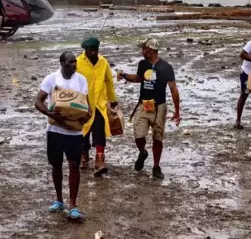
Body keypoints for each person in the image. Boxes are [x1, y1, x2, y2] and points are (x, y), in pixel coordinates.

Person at [35, 51, 91, 221]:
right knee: (56, 165)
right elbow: (38, 101)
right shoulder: (51, 79)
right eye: (69, 63)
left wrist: (86, 115)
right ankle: (59, 200)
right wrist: (52, 116)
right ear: (61, 63)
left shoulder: (81, 80)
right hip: (55, 131)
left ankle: (73, 205)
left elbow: (86, 106)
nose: (74, 65)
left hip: (74, 132)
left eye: (75, 62)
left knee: (74, 166)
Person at [117, 38, 181, 180]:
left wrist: (177, 111)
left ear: (151, 51)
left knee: (158, 137)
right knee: (138, 134)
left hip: (159, 107)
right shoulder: (143, 64)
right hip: (144, 105)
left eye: (144, 49)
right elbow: (139, 79)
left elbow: (173, 90)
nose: (142, 51)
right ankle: (142, 152)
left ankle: (156, 167)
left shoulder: (166, 68)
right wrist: (125, 75)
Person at [76, 37, 118, 176]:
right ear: (85, 50)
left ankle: (100, 161)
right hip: (83, 103)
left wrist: (112, 99)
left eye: (96, 50)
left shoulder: (103, 62)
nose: (93, 53)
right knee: (83, 132)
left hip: (99, 103)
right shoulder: (78, 62)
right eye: (90, 51)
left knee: (99, 131)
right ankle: (84, 155)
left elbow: (109, 81)